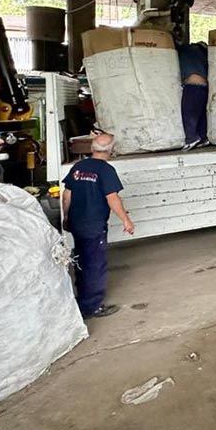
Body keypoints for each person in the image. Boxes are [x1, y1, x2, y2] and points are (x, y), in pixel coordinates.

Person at [61, 132, 135, 319]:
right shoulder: (106, 170)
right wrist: (126, 220)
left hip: (77, 223)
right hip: (94, 225)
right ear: (111, 151)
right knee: (95, 265)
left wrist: (67, 216)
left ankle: (82, 300)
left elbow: (66, 194)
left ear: (92, 148)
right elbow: (112, 198)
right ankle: (92, 307)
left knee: (81, 260)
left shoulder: (78, 167)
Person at [178, 42, 209, 150]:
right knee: (201, 114)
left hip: (192, 86)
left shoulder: (185, 51)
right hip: (204, 87)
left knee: (188, 112)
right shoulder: (202, 53)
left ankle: (191, 138)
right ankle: (203, 137)